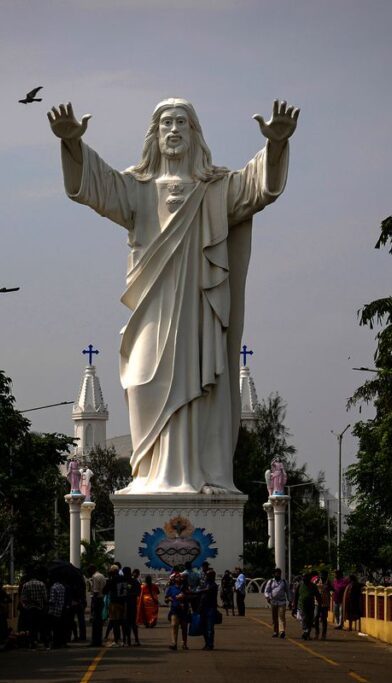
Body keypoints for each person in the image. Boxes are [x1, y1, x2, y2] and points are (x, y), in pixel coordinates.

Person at [48, 98, 299, 495]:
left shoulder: (215, 188)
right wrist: (73, 145)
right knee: (144, 379)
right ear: (155, 133)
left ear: (194, 132)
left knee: (201, 385)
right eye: (165, 122)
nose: (173, 129)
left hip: (198, 313)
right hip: (152, 308)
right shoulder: (137, 187)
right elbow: (96, 187)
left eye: (182, 121)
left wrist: (277, 145)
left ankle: (199, 474)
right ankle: (150, 475)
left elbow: (256, 188)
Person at [19, 569, 49, 650]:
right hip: (40, 609)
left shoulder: (26, 585)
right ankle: (46, 644)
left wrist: (27, 606)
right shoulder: (41, 584)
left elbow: (23, 598)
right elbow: (45, 598)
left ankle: (32, 645)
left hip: (30, 610)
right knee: (42, 627)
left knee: (31, 628)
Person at [164, 573, 190, 650]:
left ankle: (184, 643)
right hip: (174, 609)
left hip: (184, 610)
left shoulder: (185, 588)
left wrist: (185, 596)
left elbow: (190, 596)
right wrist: (169, 599)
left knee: (184, 627)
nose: (179, 578)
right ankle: (174, 643)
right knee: (174, 625)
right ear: (174, 579)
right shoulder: (170, 588)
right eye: (177, 577)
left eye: (180, 577)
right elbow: (166, 600)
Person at [104, 565, 127, 647]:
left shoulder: (112, 580)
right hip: (123, 602)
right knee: (123, 622)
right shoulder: (123, 578)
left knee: (115, 622)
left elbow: (105, 590)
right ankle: (124, 640)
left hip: (114, 603)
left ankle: (116, 641)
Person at [262, 567, 289, 638]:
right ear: (273, 574)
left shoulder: (284, 582)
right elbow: (266, 591)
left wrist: (290, 600)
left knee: (282, 616)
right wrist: (267, 597)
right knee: (274, 617)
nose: (278, 575)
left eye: (279, 573)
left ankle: (282, 631)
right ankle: (275, 631)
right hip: (273, 602)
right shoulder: (270, 581)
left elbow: (288, 591)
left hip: (282, 602)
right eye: (276, 573)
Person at [198, 569, 219, 650]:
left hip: (211, 608)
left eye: (208, 575)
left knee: (210, 628)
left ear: (212, 576)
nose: (206, 576)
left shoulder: (213, 585)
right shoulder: (205, 584)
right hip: (204, 608)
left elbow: (205, 590)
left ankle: (210, 644)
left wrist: (197, 591)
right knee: (204, 627)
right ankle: (207, 643)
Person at [47, 578, 69, 648]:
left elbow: (52, 600)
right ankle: (61, 642)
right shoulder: (62, 587)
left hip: (54, 610)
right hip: (61, 609)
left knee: (54, 628)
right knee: (60, 627)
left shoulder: (53, 587)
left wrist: (47, 601)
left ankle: (55, 643)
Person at [88, 564, 106, 646]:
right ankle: (98, 641)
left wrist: (93, 605)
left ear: (92, 570)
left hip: (97, 600)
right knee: (99, 622)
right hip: (101, 599)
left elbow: (95, 592)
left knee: (95, 622)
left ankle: (95, 641)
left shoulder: (95, 577)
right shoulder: (102, 576)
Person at [296, 570, 317, 640]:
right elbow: (296, 596)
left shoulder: (313, 586)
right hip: (302, 606)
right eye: (303, 577)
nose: (304, 578)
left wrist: (320, 604)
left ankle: (307, 633)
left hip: (311, 606)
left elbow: (318, 595)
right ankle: (306, 631)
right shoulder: (299, 585)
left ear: (309, 578)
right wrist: (294, 607)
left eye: (306, 577)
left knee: (310, 620)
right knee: (304, 619)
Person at [124, 567, 141, 646]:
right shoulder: (134, 581)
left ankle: (131, 640)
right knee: (131, 623)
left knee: (130, 623)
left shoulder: (133, 582)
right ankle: (131, 640)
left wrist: (128, 595)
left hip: (128, 604)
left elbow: (138, 593)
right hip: (131, 604)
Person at [316, 570, 330, 640]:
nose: (322, 576)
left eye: (324, 575)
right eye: (321, 575)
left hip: (325, 603)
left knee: (324, 619)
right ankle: (317, 633)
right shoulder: (317, 580)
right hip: (317, 603)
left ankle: (323, 634)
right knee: (316, 618)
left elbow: (332, 589)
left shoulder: (328, 582)